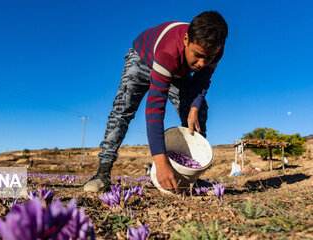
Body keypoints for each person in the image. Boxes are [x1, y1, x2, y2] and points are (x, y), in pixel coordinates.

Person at [84, 11, 228, 192]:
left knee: (199, 111)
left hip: (178, 70)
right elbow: (155, 107)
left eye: (208, 58)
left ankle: (191, 175)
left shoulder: (216, 50)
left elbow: (202, 81)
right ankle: (103, 172)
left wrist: (193, 108)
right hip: (144, 59)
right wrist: (160, 162)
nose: (201, 63)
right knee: (122, 109)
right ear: (186, 40)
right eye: (197, 55)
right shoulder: (169, 50)